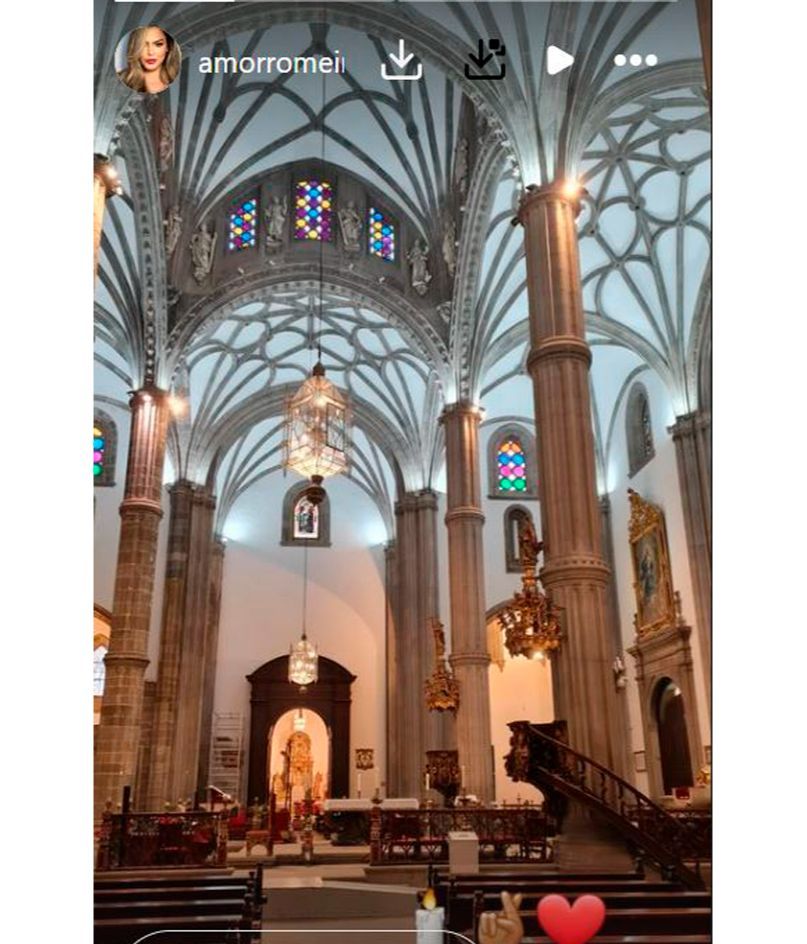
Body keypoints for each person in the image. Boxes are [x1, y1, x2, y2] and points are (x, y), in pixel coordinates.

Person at [118, 26, 181, 94]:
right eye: (143, 45)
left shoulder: (175, 78)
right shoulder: (121, 80)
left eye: (158, 44)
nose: (150, 52)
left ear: (167, 47)